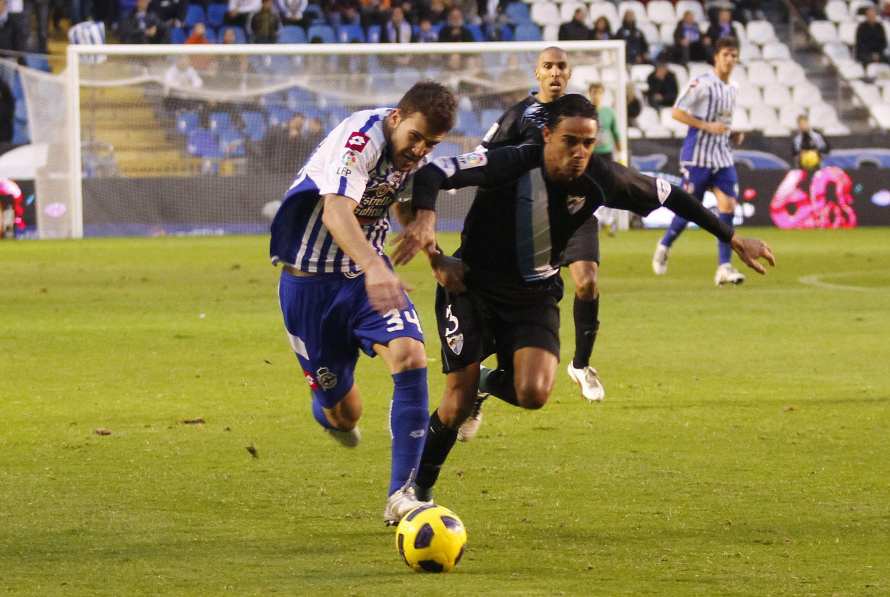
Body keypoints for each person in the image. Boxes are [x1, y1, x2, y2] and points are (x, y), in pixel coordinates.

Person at [395, 93, 774, 504]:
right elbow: (433, 173)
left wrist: (733, 238)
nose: (579, 152)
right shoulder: (512, 162)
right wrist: (433, 249)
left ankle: (485, 381)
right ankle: (416, 495)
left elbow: (672, 196)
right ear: (547, 135)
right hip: (470, 286)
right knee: (455, 404)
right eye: (570, 140)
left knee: (533, 394)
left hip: (534, 295)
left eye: (588, 143)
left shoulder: (603, 177)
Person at [268, 81, 458, 525]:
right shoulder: (361, 138)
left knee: (411, 355)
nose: (419, 150)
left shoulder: (414, 155)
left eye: (431, 144)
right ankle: (330, 411)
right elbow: (335, 210)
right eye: (415, 138)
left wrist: (429, 248)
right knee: (344, 413)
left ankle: (403, 496)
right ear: (397, 118)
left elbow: (406, 201)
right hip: (309, 284)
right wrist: (376, 265)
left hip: (366, 280)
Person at [478, 46, 607, 410]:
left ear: (569, 72)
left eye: (561, 66)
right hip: (528, 222)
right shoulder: (519, 116)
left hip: (575, 210)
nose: (554, 72)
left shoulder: (578, 110)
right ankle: (484, 377)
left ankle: (581, 365)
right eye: (547, 66)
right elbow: (484, 159)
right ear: (537, 73)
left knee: (588, 281)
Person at [652, 37, 747, 286]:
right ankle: (665, 244)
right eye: (726, 54)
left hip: (722, 156)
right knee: (690, 209)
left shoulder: (733, 88)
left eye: (734, 56)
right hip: (697, 158)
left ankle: (724, 267)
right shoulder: (701, 84)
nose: (730, 60)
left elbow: (721, 122)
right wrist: (706, 126)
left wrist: (731, 132)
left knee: (728, 207)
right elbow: (676, 111)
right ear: (716, 56)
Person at [587, 82, 622, 236]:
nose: (596, 94)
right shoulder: (585, 112)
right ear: (589, 93)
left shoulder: (609, 112)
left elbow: (616, 134)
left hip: (606, 154)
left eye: (599, 91)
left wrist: (621, 155)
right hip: (590, 155)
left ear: (602, 94)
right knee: (589, 188)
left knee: (608, 187)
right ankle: (592, 220)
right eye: (593, 91)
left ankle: (608, 220)